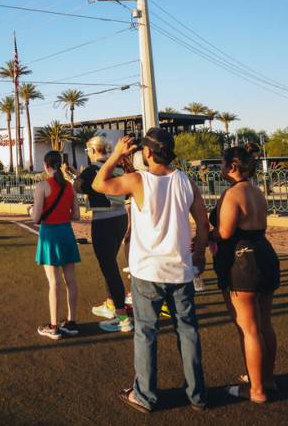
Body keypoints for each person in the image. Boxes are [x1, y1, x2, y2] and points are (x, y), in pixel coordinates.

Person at [93, 129, 210, 413]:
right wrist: (199, 255)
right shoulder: (185, 181)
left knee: (146, 333)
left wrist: (116, 155)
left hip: (147, 272)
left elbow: (99, 184)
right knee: (188, 331)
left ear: (147, 153)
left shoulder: (138, 180)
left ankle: (145, 394)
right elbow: (203, 223)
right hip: (181, 271)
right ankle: (196, 394)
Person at [211, 143, 280, 403]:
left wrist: (207, 235)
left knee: (248, 329)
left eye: (221, 164)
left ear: (232, 167)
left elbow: (226, 232)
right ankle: (266, 379)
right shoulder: (256, 191)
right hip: (264, 254)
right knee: (265, 325)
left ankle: (256, 389)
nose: (219, 168)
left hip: (242, 261)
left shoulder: (233, 194)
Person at [71, 136, 133, 333]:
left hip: (104, 221)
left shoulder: (92, 170)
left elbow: (79, 187)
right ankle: (110, 304)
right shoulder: (119, 166)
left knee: (109, 268)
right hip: (121, 218)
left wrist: (74, 175)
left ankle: (122, 318)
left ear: (92, 150)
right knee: (111, 264)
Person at [32, 150, 81, 340]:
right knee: (71, 280)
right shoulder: (69, 186)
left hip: (49, 235)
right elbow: (76, 215)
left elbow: (36, 217)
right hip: (66, 233)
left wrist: (31, 211)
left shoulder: (42, 186)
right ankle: (72, 322)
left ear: (46, 165)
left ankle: (53, 327)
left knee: (54, 282)